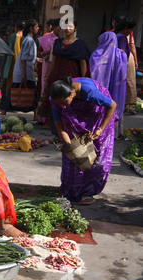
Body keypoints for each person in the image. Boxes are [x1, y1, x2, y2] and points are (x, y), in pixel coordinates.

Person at [49, 77, 117, 205]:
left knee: (97, 156)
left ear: (72, 93)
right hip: (75, 116)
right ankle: (71, 190)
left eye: (64, 102)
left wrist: (100, 129)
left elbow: (112, 106)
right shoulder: (56, 100)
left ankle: (88, 192)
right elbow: (60, 126)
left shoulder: (89, 92)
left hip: (99, 114)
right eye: (59, 104)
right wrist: (71, 147)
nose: (62, 106)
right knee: (74, 156)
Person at [38, 21, 90, 127]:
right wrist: (48, 77)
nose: (67, 29)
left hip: (72, 77)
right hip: (57, 75)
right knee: (56, 100)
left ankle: (70, 127)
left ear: (75, 28)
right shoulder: (57, 42)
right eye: (65, 26)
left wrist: (85, 79)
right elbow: (53, 61)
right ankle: (56, 127)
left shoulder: (80, 44)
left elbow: (83, 62)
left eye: (70, 27)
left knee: (69, 101)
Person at [90, 32, 127, 137]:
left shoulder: (97, 54)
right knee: (113, 105)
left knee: (102, 106)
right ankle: (113, 133)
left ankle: (98, 130)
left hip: (101, 89)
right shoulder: (122, 55)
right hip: (117, 88)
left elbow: (94, 72)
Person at [1, 19, 40, 116]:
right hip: (24, 70)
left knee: (17, 89)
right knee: (30, 91)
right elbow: (24, 58)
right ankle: (35, 113)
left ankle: (4, 111)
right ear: (31, 29)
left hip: (25, 69)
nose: (38, 29)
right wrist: (24, 73)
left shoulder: (28, 39)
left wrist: (36, 59)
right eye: (36, 27)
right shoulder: (29, 40)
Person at [37, 18, 61, 124]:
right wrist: (46, 54)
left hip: (59, 66)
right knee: (46, 89)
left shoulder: (64, 40)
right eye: (59, 27)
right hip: (47, 66)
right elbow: (39, 53)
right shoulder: (47, 38)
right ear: (54, 27)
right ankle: (44, 118)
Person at [114, 16, 138, 115]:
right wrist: (135, 60)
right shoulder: (123, 38)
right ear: (126, 29)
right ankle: (129, 106)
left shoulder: (112, 34)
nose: (131, 31)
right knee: (130, 81)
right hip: (124, 63)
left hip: (114, 64)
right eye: (131, 30)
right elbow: (127, 49)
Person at [0, 21, 26, 107]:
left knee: (9, 82)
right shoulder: (26, 38)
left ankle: (8, 102)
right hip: (22, 64)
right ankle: (17, 102)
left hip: (11, 63)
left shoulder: (11, 37)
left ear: (16, 27)